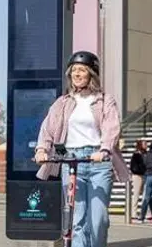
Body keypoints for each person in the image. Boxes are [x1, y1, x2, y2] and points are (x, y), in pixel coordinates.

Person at [34, 51, 130, 247]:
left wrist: (104, 150)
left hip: (98, 163)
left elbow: (111, 128)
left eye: (82, 70)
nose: (76, 74)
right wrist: (42, 149)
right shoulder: (63, 102)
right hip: (71, 161)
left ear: (91, 74)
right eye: (74, 71)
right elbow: (48, 128)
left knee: (98, 220)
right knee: (76, 220)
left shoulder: (104, 100)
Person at [130, 139, 147, 220]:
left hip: (144, 175)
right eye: (144, 144)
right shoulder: (136, 155)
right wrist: (141, 170)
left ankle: (146, 213)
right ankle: (133, 213)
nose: (146, 145)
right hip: (137, 175)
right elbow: (133, 166)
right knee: (136, 194)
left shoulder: (146, 154)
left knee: (145, 194)